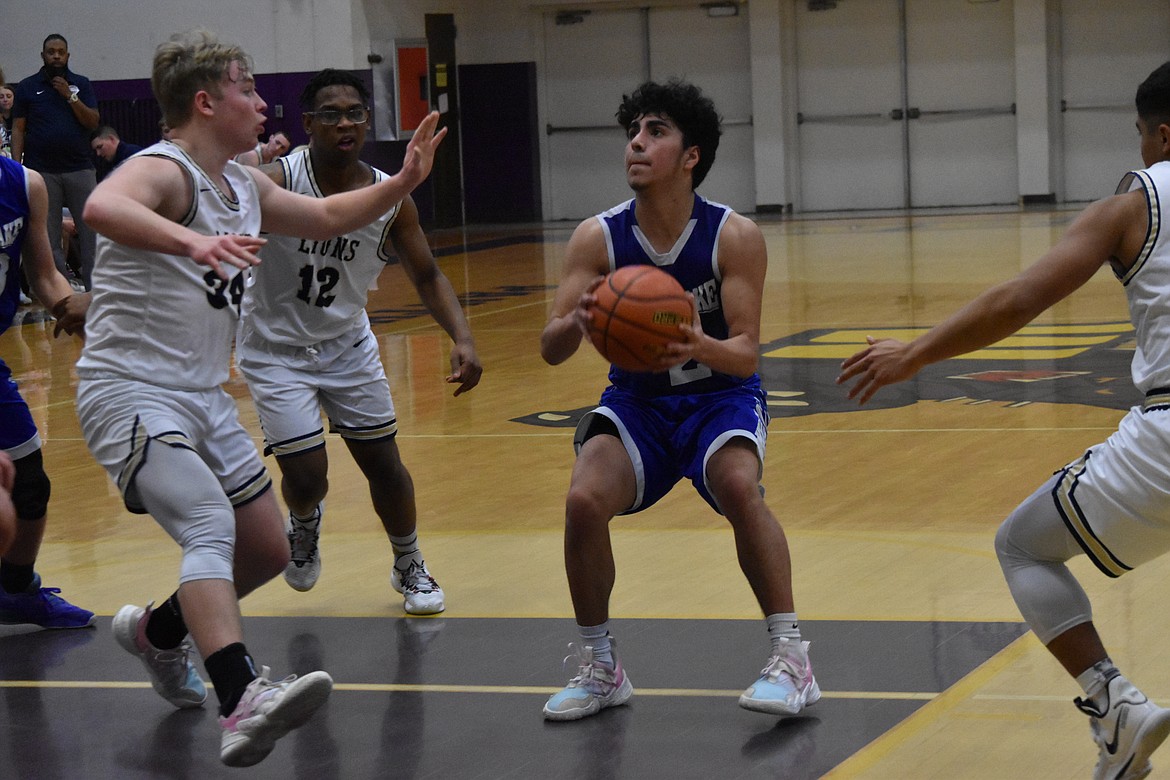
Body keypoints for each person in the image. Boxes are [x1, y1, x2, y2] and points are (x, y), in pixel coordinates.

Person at [77, 29, 445, 767]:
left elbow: (334, 218)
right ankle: (241, 698)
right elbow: (101, 208)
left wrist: (403, 181)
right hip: (131, 389)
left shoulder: (244, 186)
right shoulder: (164, 170)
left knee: (269, 548)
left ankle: (158, 633)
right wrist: (193, 245)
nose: (262, 99)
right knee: (210, 523)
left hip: (204, 397)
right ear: (207, 101)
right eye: (248, 87)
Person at [837, 59, 1170, 780]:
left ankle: (1115, 704)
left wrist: (917, 352)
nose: (1139, 149)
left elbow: (1020, 299)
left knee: (1023, 546)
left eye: (1141, 135)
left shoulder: (1134, 202)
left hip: (1167, 442)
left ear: (1163, 135)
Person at [538, 80, 818, 721]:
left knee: (739, 486)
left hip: (721, 396)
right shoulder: (597, 238)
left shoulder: (733, 236)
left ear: (691, 155)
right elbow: (551, 349)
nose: (637, 142)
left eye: (656, 131)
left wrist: (695, 341)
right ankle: (600, 667)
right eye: (632, 132)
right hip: (638, 403)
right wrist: (578, 320)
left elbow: (746, 352)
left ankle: (792, 659)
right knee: (583, 499)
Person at [237, 68, 481, 613]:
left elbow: (426, 275)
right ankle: (304, 520)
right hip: (274, 350)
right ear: (306, 124)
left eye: (355, 113)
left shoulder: (390, 195)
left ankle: (409, 562)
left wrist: (462, 335)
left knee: (385, 465)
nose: (345, 123)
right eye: (331, 114)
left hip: (346, 346)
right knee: (306, 476)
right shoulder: (277, 181)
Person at [0, 154, 92, 629]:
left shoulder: (25, 184)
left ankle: (15, 590)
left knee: (29, 484)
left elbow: (43, 274)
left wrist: (81, 323)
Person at [10, 34, 100, 291]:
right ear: (43, 56)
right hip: (42, 172)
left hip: (80, 168)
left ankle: (96, 287)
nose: (56, 56)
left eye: (61, 52)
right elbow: (18, 129)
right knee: (48, 235)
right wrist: (18, 169)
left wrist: (69, 96)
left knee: (91, 232)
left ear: (68, 56)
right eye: (51, 52)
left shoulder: (81, 84)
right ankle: (60, 287)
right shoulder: (28, 87)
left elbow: (93, 122)